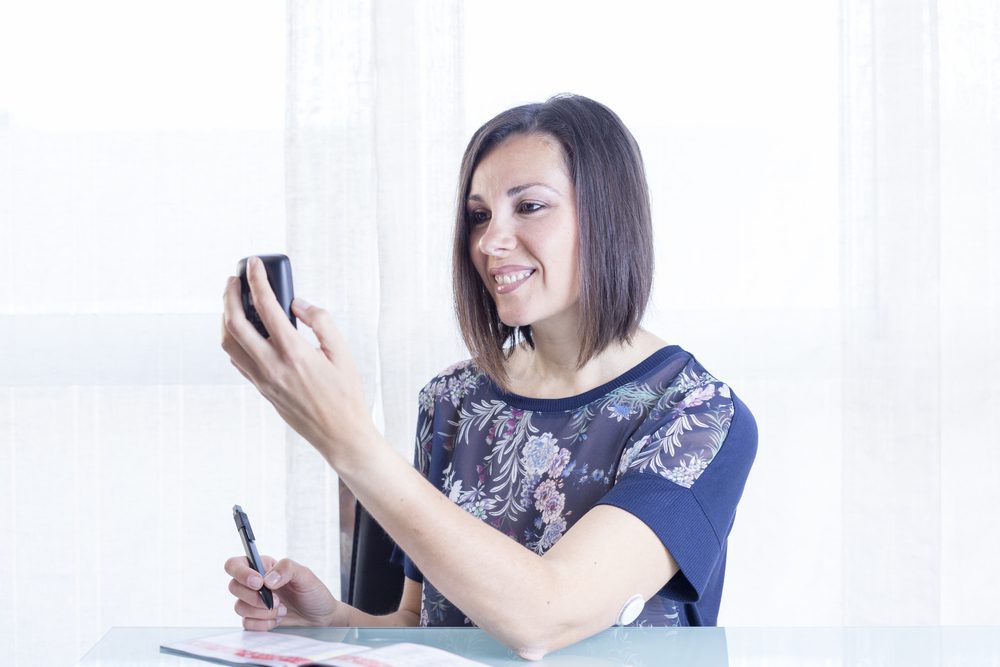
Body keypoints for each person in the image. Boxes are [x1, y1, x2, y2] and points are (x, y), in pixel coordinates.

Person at [221, 94, 756, 660]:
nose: (490, 241)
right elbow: (424, 624)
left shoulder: (697, 416)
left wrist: (347, 438)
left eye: (529, 206)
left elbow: (545, 619)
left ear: (608, 214)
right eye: (479, 215)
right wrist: (330, 621)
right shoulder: (453, 400)